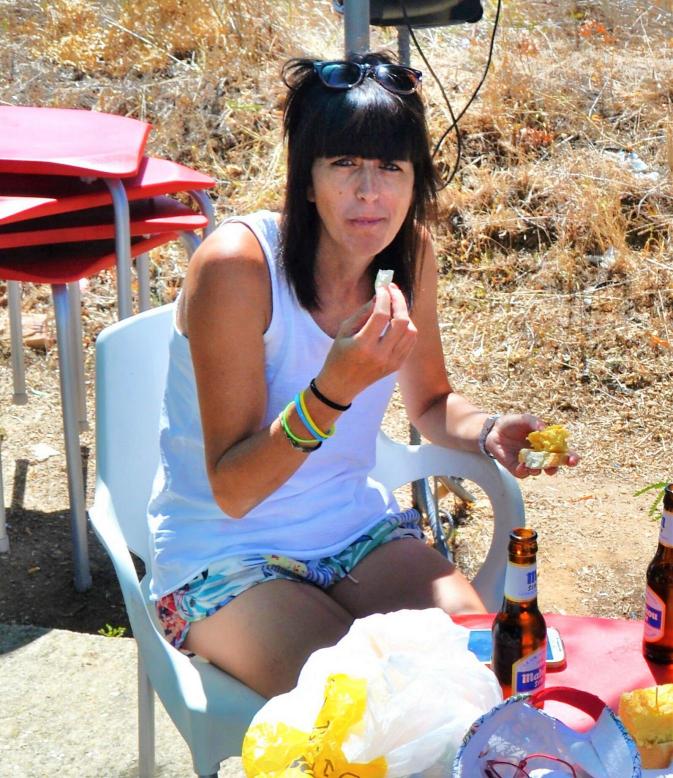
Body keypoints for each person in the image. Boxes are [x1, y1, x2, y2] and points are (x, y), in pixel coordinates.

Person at [147, 51, 578, 699]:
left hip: (354, 531)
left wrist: (488, 429)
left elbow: (430, 403)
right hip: (224, 552)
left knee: (480, 672)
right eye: (345, 163)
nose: (370, 191)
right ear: (307, 179)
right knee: (369, 705)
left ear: (417, 180)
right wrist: (333, 391)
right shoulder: (238, 266)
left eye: (391, 167)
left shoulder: (410, 254)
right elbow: (233, 490)